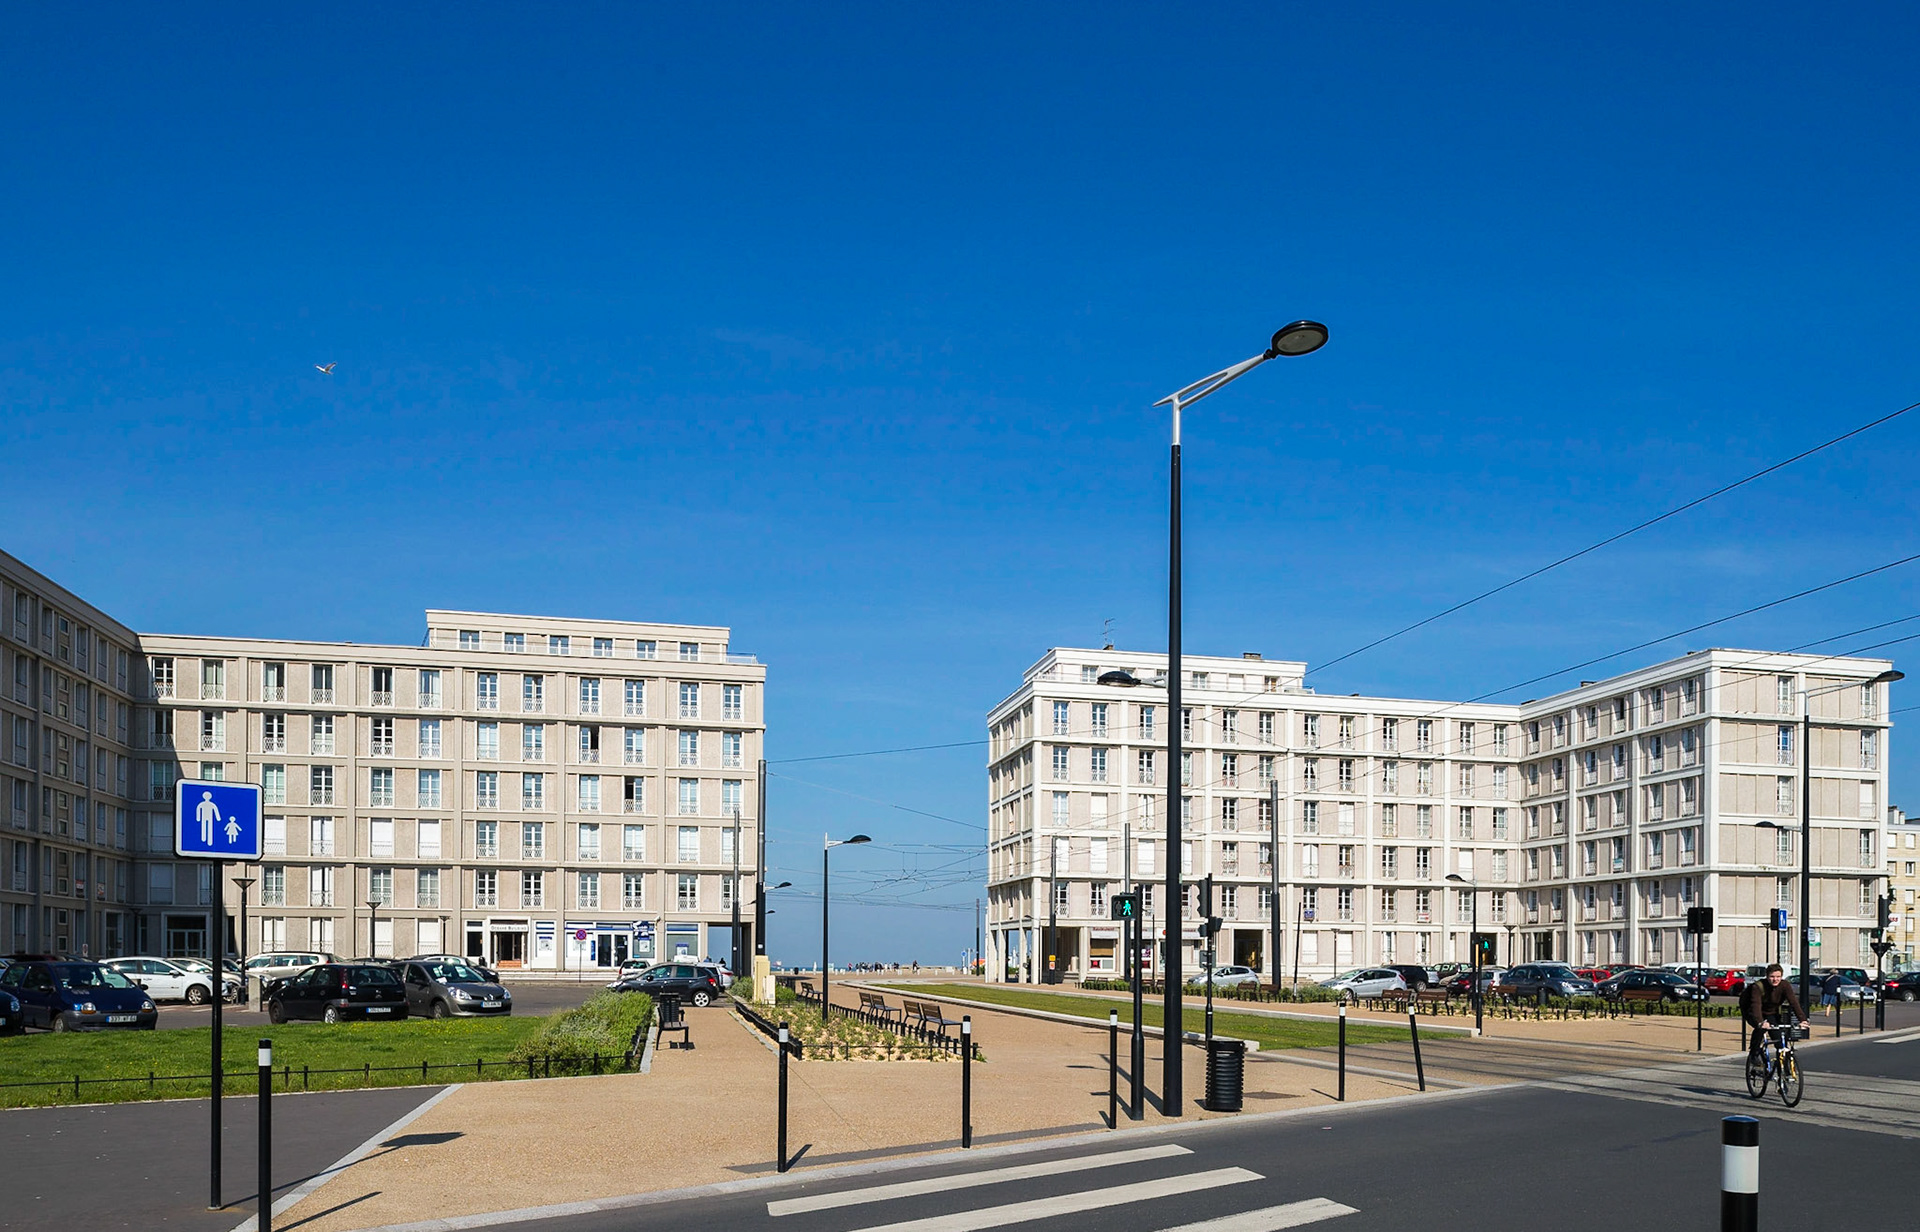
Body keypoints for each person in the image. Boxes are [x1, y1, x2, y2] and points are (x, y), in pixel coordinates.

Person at [1741, 963, 1807, 1066]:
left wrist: (1802, 1019)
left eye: (1778, 977)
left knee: (1779, 1038)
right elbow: (1756, 1005)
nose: (1775, 979)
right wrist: (1760, 1022)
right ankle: (1754, 1053)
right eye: (1772, 977)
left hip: (1770, 1012)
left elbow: (1793, 1002)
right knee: (1761, 1028)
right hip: (1752, 1011)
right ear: (1767, 976)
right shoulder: (1757, 987)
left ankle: (1784, 1067)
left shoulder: (1785, 985)